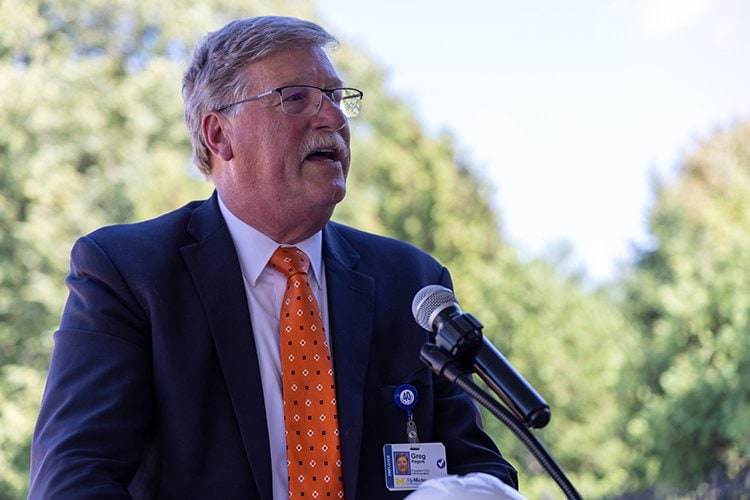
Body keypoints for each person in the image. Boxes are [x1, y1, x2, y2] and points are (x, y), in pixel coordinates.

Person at [29, 15, 519, 499]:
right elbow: (72, 481)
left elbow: (477, 470)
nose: (333, 118)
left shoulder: (410, 285)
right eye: (296, 98)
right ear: (219, 135)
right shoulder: (128, 273)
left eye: (336, 97)